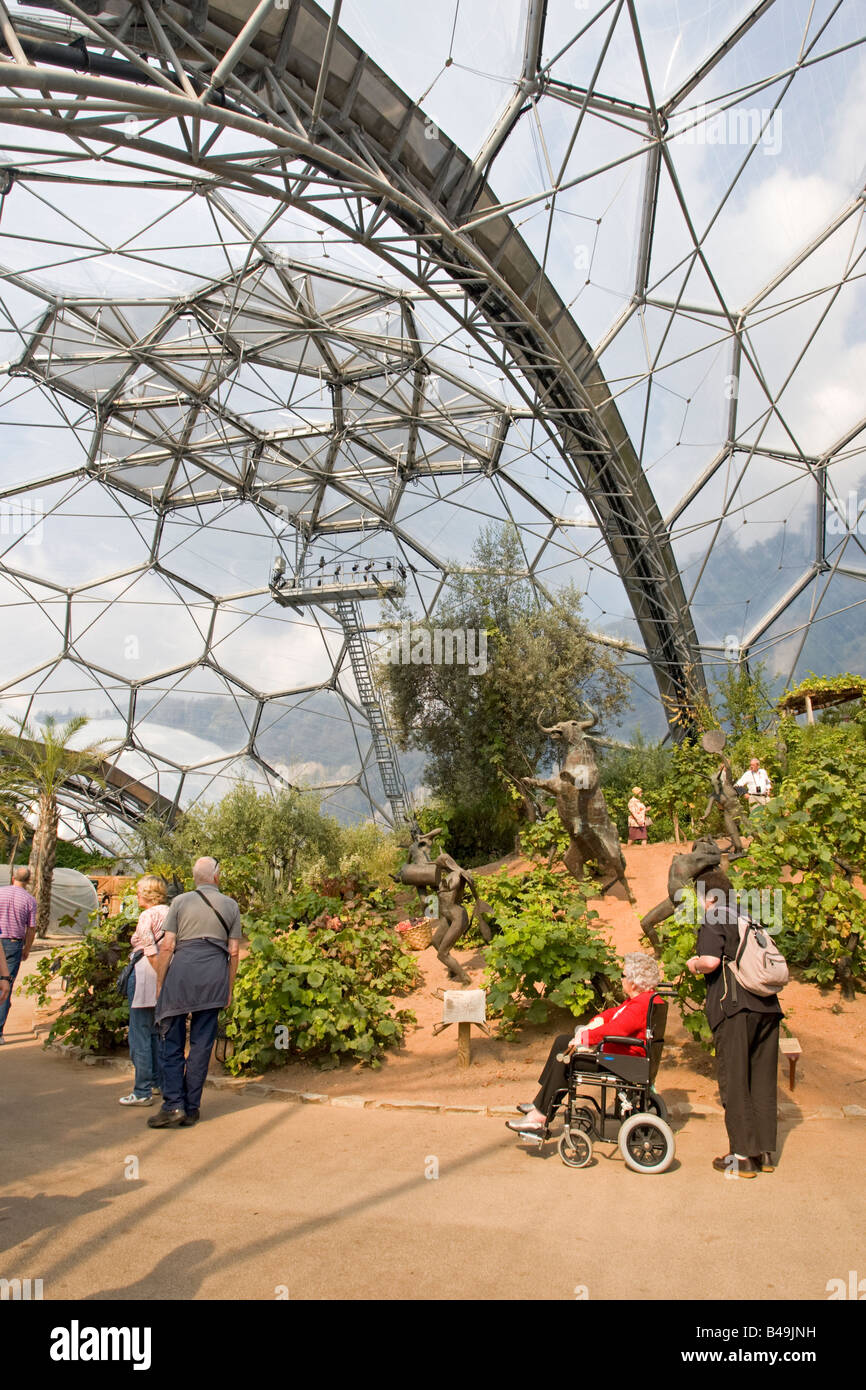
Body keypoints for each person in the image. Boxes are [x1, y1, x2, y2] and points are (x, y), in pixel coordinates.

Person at [686, 868, 782, 1178]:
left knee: (736, 1079)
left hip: (736, 1008)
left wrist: (694, 964)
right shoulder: (748, 916)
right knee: (763, 1080)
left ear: (710, 897)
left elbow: (711, 962)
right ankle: (764, 1153)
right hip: (768, 1007)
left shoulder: (715, 916)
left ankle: (741, 1156)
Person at [506, 952, 662, 1135]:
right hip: (625, 1056)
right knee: (562, 1041)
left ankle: (539, 1117)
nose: (621, 979)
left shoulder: (640, 1005)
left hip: (621, 1060)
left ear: (634, 982)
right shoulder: (643, 999)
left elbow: (616, 1030)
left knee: (566, 1059)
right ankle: (540, 1101)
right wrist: (593, 1024)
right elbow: (611, 1014)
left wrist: (586, 1037)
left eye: (623, 975)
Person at [149, 858, 241, 1129]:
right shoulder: (231, 905)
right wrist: (229, 987)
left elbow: (167, 946)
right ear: (215, 877)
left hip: (182, 975)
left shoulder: (180, 902)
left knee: (172, 1039)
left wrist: (160, 983)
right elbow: (233, 951)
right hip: (214, 976)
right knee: (202, 1044)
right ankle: (191, 1108)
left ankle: (173, 1104)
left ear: (194, 878)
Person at [118, 875, 170, 1107]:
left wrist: (158, 978)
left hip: (146, 974)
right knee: (155, 1032)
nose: (137, 895)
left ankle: (141, 1091)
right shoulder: (171, 912)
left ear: (147, 894)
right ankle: (158, 1082)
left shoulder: (146, 915)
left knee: (139, 1033)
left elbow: (149, 948)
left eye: (139, 891)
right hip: (166, 972)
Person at [0, 866, 38, 1043]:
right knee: (5, 986)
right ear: (29, 881)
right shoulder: (30, 900)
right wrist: (27, 949)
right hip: (13, 944)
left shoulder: (1, 893)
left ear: (13, 877)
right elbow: (31, 928)